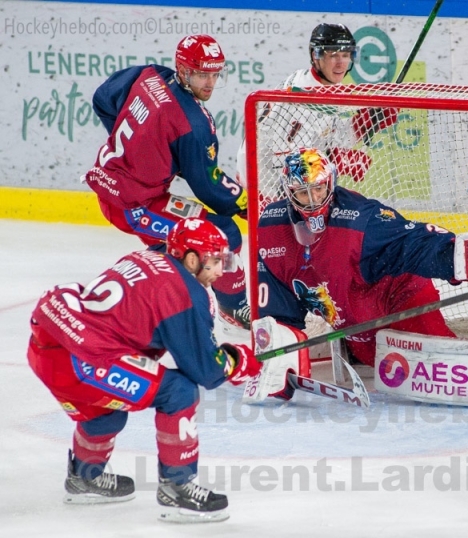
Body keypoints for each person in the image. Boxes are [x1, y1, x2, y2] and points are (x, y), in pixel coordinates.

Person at [252, 147, 468, 411]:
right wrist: (279, 346)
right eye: (302, 192)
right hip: (357, 323)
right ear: (287, 192)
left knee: (440, 361)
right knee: (381, 361)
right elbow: (277, 304)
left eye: (319, 188)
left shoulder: (360, 220)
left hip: (400, 297)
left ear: (332, 181)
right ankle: (358, 348)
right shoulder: (270, 230)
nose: (312, 200)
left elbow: (414, 245)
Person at [27, 217, 262, 523]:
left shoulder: (147, 256)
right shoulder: (183, 292)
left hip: (49, 348)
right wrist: (240, 359)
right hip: (86, 358)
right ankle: (177, 488)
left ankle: (84, 478)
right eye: (215, 260)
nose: (220, 271)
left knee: (105, 409)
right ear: (191, 259)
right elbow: (205, 370)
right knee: (179, 391)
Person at [82, 34, 251, 330]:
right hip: (133, 204)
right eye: (201, 74)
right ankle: (229, 310)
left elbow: (103, 98)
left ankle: (144, 298)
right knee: (222, 236)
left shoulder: (150, 76)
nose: (209, 83)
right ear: (184, 70)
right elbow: (208, 186)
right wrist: (242, 202)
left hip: (117, 185)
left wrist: (143, 146)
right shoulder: (193, 123)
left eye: (214, 74)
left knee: (192, 241)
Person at [236, 23, 397, 197]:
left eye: (345, 55)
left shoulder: (321, 85)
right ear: (316, 55)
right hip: (264, 189)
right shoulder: (302, 96)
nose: (341, 63)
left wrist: (362, 124)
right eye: (333, 55)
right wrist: (339, 159)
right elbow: (289, 163)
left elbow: (325, 135)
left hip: (279, 183)